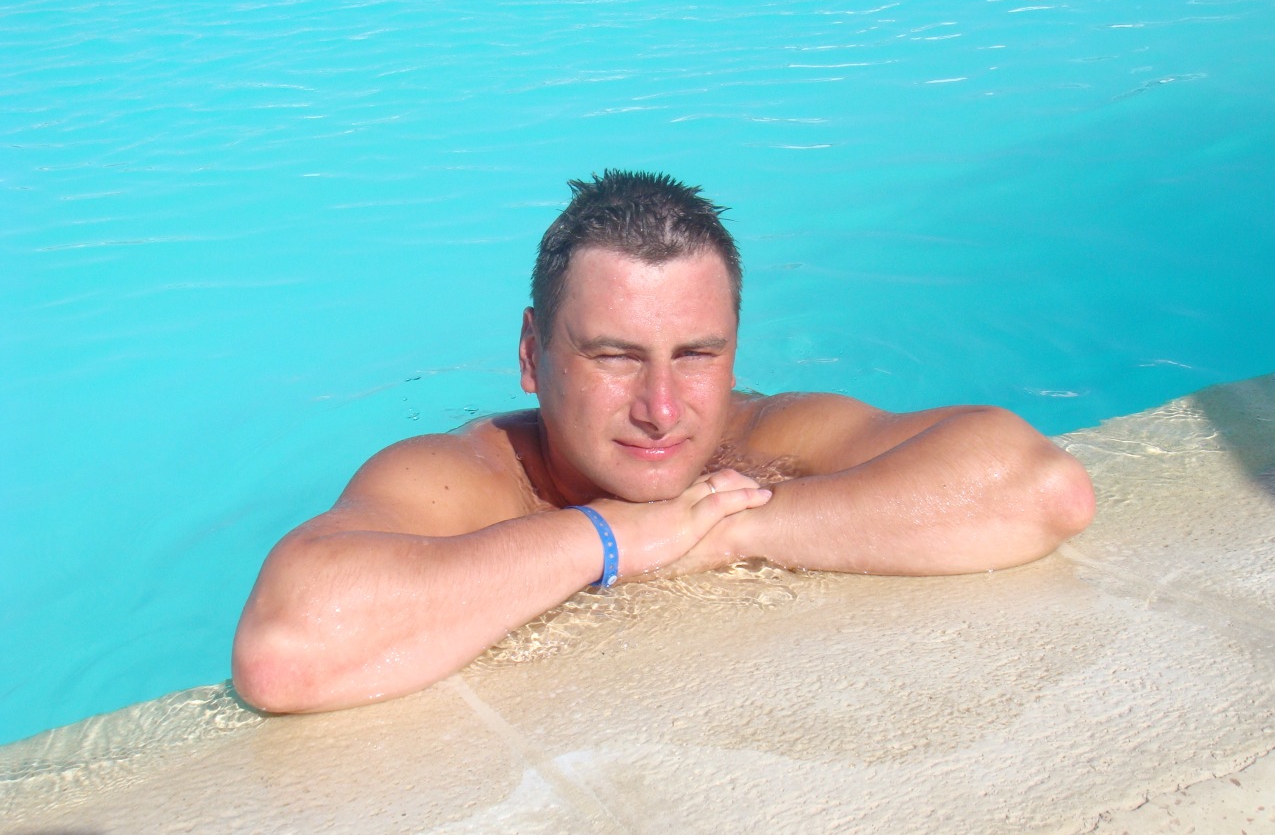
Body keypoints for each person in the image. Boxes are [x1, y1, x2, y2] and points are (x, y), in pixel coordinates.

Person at [232, 170, 1095, 715]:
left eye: (695, 356)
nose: (661, 408)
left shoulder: (760, 439)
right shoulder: (470, 479)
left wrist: (723, 531)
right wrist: (607, 539)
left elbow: (1038, 487)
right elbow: (286, 649)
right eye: (614, 357)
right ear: (532, 355)